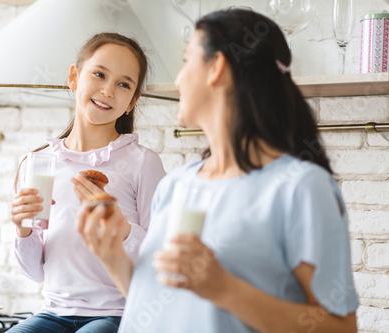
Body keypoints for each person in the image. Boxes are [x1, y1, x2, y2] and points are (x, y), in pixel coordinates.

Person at [77, 9, 359, 333]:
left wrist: (223, 288)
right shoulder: (175, 186)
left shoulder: (300, 188)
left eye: (187, 61)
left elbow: (341, 328)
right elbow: (159, 307)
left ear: (217, 67)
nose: (178, 78)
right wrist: (113, 259)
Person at [8, 32, 166, 333]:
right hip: (53, 312)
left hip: (118, 314)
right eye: (99, 74)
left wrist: (120, 229)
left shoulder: (142, 163)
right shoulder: (39, 164)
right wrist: (23, 230)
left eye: (123, 84)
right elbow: (36, 273)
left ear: (132, 101)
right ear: (74, 78)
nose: (108, 90)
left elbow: (157, 256)